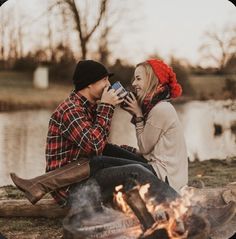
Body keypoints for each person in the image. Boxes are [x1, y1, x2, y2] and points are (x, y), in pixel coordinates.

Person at [10, 60, 178, 208]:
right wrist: (107, 107)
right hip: (71, 190)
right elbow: (95, 147)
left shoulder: (88, 107)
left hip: (86, 177)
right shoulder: (71, 110)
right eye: (104, 80)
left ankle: (169, 201)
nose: (108, 85)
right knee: (135, 171)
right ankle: (180, 206)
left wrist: (133, 152)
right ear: (89, 84)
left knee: (140, 166)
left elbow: (103, 146)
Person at [120, 59, 188, 193]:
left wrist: (138, 115)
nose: (134, 83)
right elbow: (148, 150)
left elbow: (144, 148)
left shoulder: (161, 109)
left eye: (138, 79)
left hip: (165, 178)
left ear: (153, 81)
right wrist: (136, 113)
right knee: (114, 152)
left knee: (105, 164)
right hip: (160, 170)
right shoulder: (155, 107)